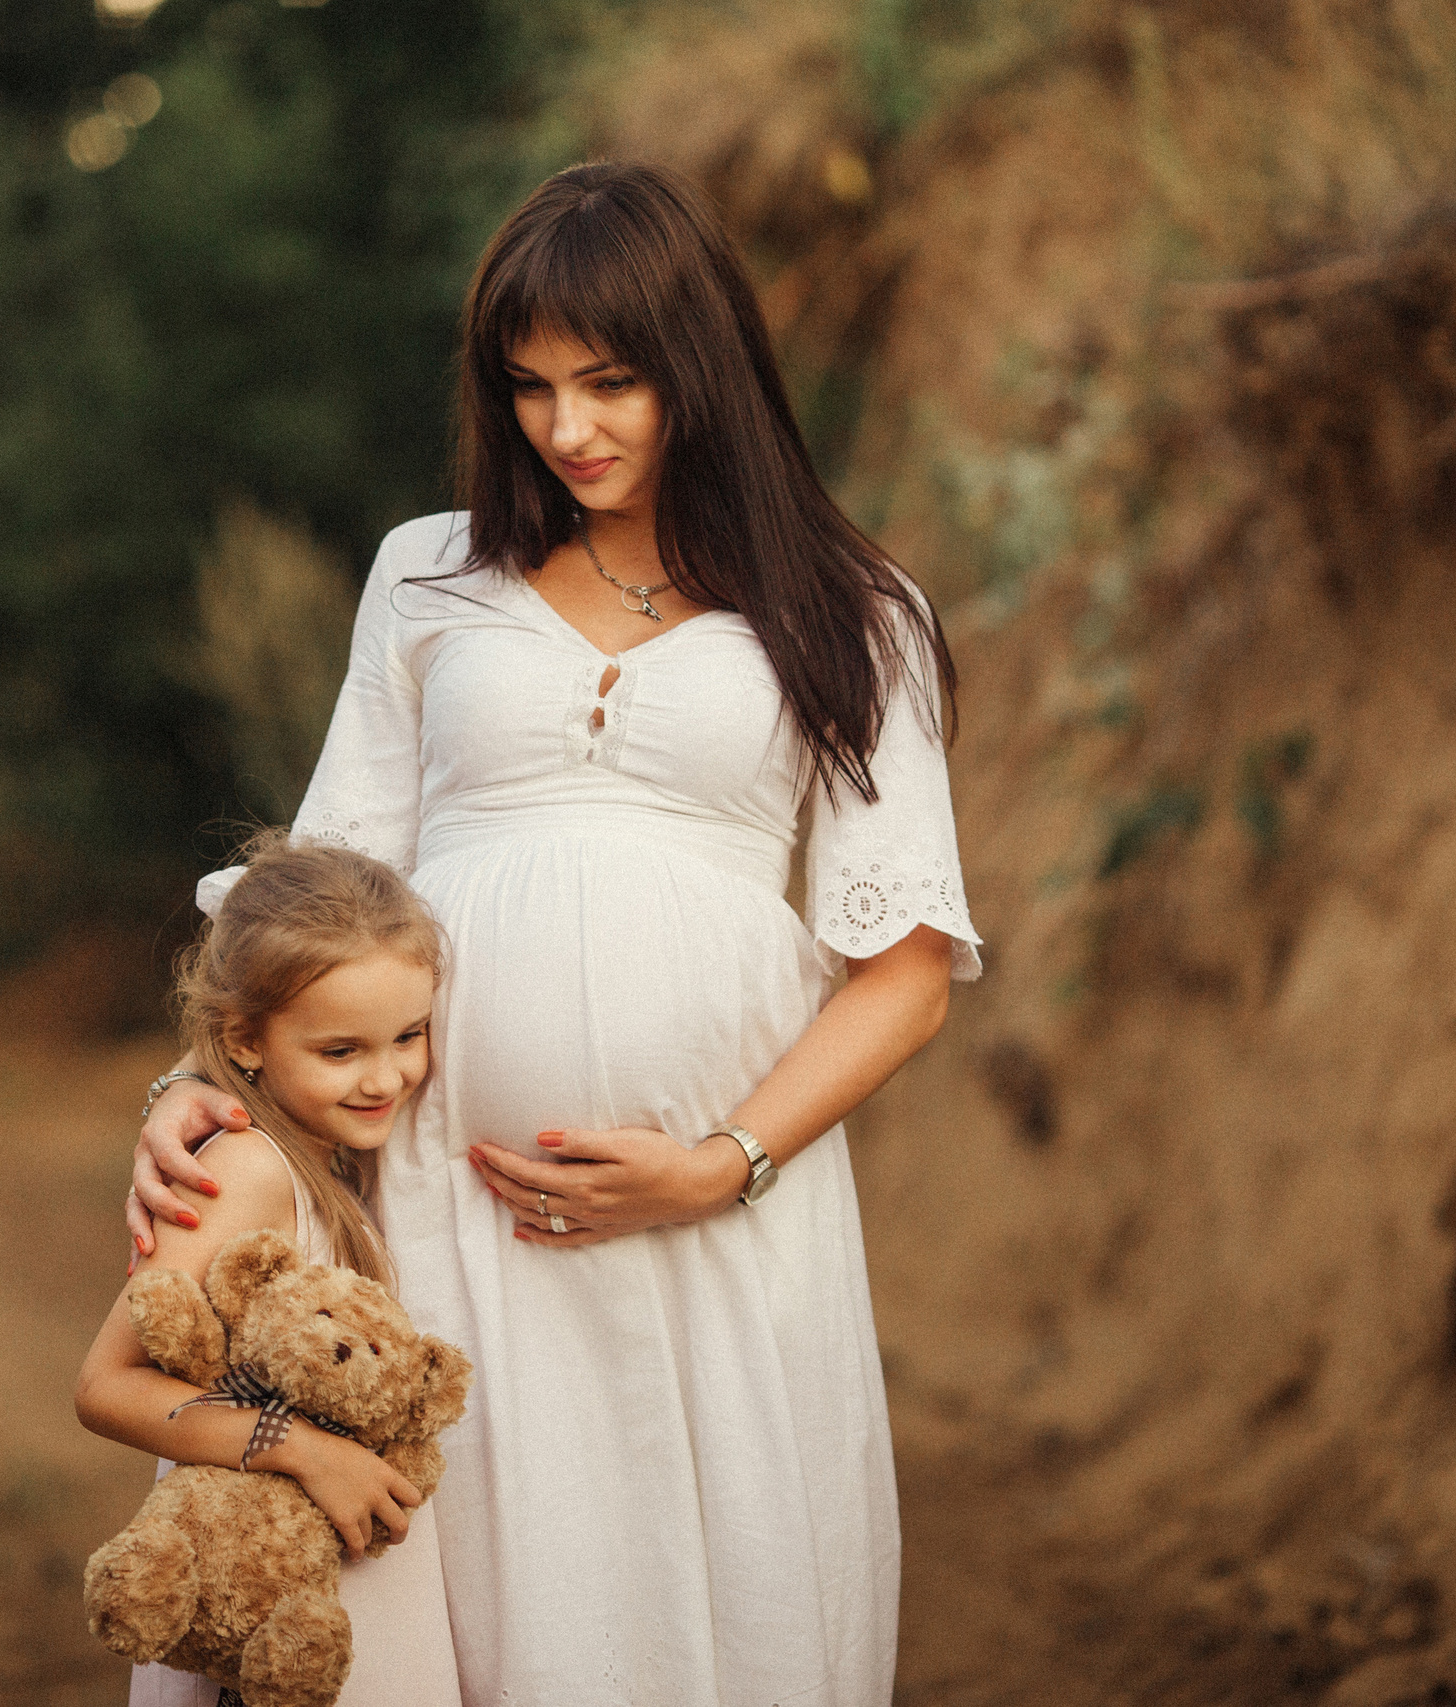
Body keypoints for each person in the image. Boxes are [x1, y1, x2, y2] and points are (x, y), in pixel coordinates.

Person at [129, 160, 982, 1706]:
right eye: (529, 387)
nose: (567, 428)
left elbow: (905, 972)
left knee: (701, 1585)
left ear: (704, 369)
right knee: (442, 1575)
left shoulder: (858, 613)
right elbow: (311, 893)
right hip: (441, 1198)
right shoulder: (430, 573)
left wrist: (717, 1163)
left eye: (612, 381)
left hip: (717, 1217)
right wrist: (194, 1087)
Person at [75, 834, 464, 1707]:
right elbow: (105, 1384)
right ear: (245, 1040)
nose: (386, 1077)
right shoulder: (247, 1171)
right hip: (268, 1577)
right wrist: (307, 1453)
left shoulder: (332, 1157)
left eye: (409, 1035)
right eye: (341, 1051)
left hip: (344, 1571)